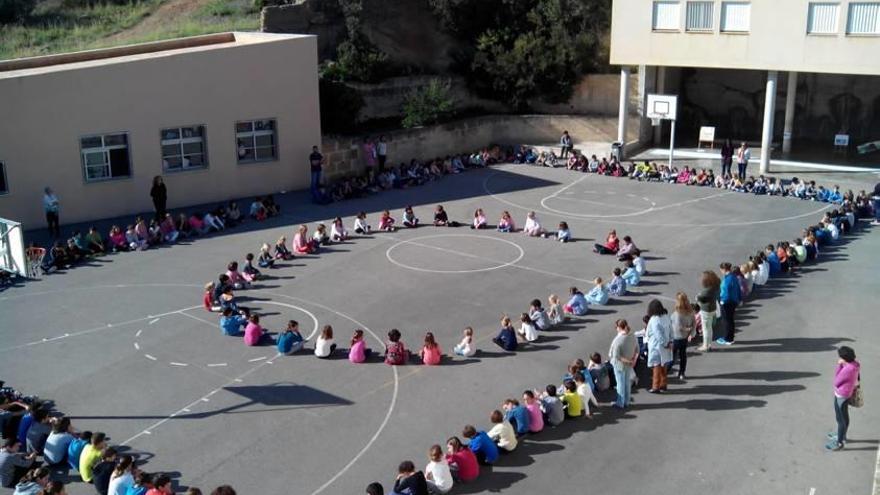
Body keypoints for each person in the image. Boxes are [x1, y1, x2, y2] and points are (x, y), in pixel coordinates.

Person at [828, 346, 860, 451]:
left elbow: (836, 382)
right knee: (843, 416)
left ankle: (840, 442)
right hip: (847, 394)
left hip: (841, 395)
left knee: (841, 419)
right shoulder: (855, 364)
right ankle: (842, 435)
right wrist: (844, 363)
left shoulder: (847, 369)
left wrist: (840, 365)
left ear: (844, 358)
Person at [645, 300, 673, 393]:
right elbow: (671, 329)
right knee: (663, 366)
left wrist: (665, 343)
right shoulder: (666, 317)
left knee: (656, 366)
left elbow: (658, 334)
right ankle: (663, 385)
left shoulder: (654, 319)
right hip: (666, 346)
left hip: (656, 346)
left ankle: (655, 386)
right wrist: (670, 342)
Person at [670, 292, 695, 379]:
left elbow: (678, 327)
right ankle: (682, 372)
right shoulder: (690, 311)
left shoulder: (677, 313)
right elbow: (693, 323)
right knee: (683, 355)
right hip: (685, 337)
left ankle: (666, 371)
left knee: (672, 356)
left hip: (676, 337)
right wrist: (690, 332)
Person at [715, 262, 742, 346]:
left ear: (723, 269)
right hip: (734, 301)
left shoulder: (727, 280)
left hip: (727, 302)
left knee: (726, 321)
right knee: (730, 320)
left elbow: (726, 292)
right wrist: (739, 299)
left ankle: (727, 338)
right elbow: (738, 288)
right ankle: (730, 337)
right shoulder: (734, 277)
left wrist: (722, 301)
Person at [696, 270, 721, 351]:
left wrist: (697, 297)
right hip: (713, 308)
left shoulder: (706, 291)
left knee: (706, 329)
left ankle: (705, 346)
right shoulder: (716, 286)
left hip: (706, 310)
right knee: (709, 328)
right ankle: (709, 344)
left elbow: (699, 298)